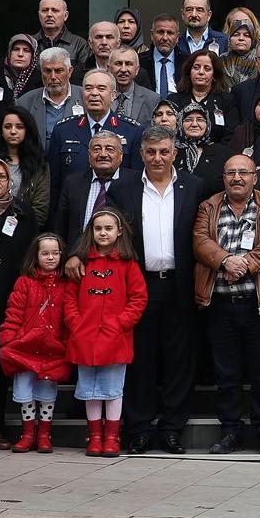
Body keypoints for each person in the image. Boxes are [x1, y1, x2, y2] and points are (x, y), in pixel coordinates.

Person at [94, 125, 203, 456]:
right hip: (138, 287)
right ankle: (139, 429)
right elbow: (104, 227)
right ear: (140, 154)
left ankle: (172, 429)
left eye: (164, 152)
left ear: (175, 153)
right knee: (139, 359)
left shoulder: (194, 186)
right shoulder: (124, 185)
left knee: (178, 359)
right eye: (151, 152)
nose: (158, 158)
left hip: (180, 284)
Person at [193, 154, 260, 455]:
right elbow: (199, 241)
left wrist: (243, 264)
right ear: (223, 177)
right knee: (226, 373)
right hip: (219, 303)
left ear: (254, 177)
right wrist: (224, 261)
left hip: (259, 303)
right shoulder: (209, 206)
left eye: (243, 173)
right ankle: (230, 431)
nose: (237, 178)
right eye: (231, 172)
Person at [63, 207, 147, 457]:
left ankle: (111, 436)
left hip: (115, 337)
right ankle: (94, 436)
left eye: (108, 228)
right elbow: (69, 298)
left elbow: (139, 298)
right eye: (98, 228)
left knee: (112, 389)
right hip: (85, 336)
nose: (102, 233)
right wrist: (75, 323)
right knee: (89, 388)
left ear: (119, 231)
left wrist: (121, 323)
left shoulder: (127, 264)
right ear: (91, 231)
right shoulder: (82, 263)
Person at [0, 157, 39, 450]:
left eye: (2, 176)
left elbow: (31, 256)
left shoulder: (22, 214)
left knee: (0, 366)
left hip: (10, 300)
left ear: (10, 180)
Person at [0, 233, 71, 453]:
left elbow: (68, 318)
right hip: (25, 347)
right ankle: (28, 433)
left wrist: (67, 342)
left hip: (52, 348)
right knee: (25, 392)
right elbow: (14, 312)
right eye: (45, 253)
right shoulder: (25, 283)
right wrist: (10, 339)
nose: (50, 257)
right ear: (35, 256)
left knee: (47, 392)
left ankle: (44, 434)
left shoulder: (66, 284)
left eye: (55, 253)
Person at [47, 70, 143, 207]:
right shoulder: (63, 130)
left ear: (113, 95)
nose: (94, 93)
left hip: (117, 212)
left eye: (101, 88)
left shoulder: (132, 131)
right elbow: (54, 184)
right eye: (88, 88)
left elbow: (136, 183)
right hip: (74, 211)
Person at [50, 131, 141, 249]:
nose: (103, 154)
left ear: (121, 155)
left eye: (110, 149)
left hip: (122, 260)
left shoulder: (136, 182)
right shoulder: (72, 183)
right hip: (80, 259)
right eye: (97, 149)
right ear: (89, 155)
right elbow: (61, 228)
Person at [0, 106, 49, 224]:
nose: (13, 131)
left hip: (23, 232)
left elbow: (40, 210)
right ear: (1, 131)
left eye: (19, 127)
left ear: (27, 130)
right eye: (7, 127)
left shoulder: (39, 164)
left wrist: (16, 230)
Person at [17, 47, 84, 150]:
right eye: (47, 71)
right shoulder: (25, 103)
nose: (53, 76)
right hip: (38, 163)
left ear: (70, 71)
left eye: (58, 71)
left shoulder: (86, 97)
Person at [169, 49, 236, 143]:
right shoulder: (173, 100)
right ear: (189, 72)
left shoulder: (226, 101)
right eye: (196, 67)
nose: (201, 72)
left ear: (214, 75)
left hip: (216, 155)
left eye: (207, 69)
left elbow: (230, 136)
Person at [173, 102, 228, 197]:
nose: (194, 124)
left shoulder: (223, 154)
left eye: (200, 120)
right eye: (188, 120)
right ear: (180, 123)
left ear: (208, 124)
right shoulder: (170, 151)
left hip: (210, 209)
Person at [33, 0, 91, 69]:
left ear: (65, 15)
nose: (49, 14)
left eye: (55, 10)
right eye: (45, 10)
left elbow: (81, 76)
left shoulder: (79, 45)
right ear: (39, 15)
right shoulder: (30, 43)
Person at [139, 14, 187, 101]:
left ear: (177, 38)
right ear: (152, 35)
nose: (165, 38)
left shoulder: (187, 62)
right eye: (160, 32)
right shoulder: (139, 62)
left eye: (170, 33)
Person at [109, 47, 160, 126]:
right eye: (118, 63)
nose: (123, 69)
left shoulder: (152, 99)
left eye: (129, 64)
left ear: (137, 69)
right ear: (109, 68)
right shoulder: (100, 96)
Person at [220, 19, 258, 89]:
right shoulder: (222, 60)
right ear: (229, 38)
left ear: (252, 40)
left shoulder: (259, 60)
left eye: (246, 35)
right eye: (236, 35)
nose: (241, 38)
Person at [2, 34, 41, 102]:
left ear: (33, 56)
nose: (20, 54)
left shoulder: (41, 82)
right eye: (16, 49)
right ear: (9, 53)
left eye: (26, 50)